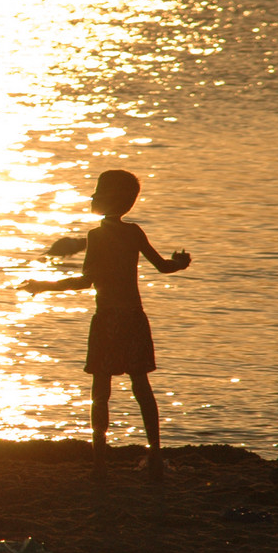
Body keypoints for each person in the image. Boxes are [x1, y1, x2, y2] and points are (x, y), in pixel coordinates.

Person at [21, 170, 190, 480]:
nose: (91, 197)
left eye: (96, 192)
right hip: (135, 318)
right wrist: (180, 263)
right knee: (142, 388)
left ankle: (100, 463)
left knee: (101, 392)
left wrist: (43, 285)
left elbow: (86, 281)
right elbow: (164, 267)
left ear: (110, 199)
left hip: (108, 320)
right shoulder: (134, 232)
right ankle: (155, 455)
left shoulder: (96, 236)